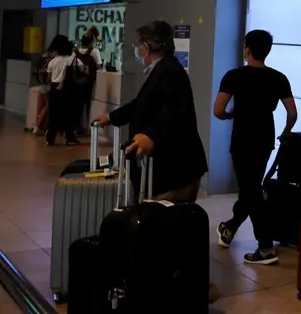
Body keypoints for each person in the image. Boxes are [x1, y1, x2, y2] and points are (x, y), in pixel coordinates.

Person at [95, 21, 208, 204]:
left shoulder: (169, 71)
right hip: (172, 169)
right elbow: (140, 105)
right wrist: (110, 118)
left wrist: (151, 136)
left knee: (166, 223)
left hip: (175, 172)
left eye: (137, 46)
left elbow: (175, 110)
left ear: (145, 48)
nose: (136, 50)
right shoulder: (162, 69)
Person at [213, 29, 297, 266]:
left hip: (242, 138)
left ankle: (266, 247)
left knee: (250, 191)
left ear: (247, 49)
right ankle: (229, 229)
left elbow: (217, 110)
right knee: (250, 188)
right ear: (267, 51)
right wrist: (287, 131)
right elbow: (291, 112)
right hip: (265, 138)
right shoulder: (278, 78)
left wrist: (230, 115)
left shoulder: (233, 76)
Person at [44, 36, 83, 146]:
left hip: (55, 89)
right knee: (69, 114)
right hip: (70, 90)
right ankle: (69, 137)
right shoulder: (75, 60)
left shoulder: (53, 62)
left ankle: (50, 137)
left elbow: (48, 79)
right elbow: (83, 73)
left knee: (53, 114)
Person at [74, 29, 101, 134]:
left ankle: (77, 126)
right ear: (91, 41)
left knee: (77, 104)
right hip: (89, 82)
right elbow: (99, 66)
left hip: (77, 82)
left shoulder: (75, 52)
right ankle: (86, 127)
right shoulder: (94, 51)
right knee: (87, 104)